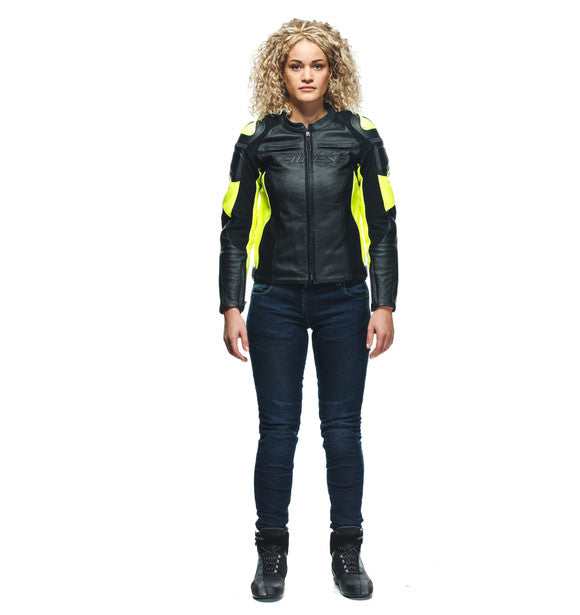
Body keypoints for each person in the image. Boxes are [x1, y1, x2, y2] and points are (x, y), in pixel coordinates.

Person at [218, 18, 398, 600]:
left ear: (332, 71)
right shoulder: (257, 139)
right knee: (277, 432)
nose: (306, 75)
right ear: (280, 71)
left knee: (342, 431)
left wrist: (384, 302)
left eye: (317, 65)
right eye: (296, 65)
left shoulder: (360, 136)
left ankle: (348, 550)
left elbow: (383, 224)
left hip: (345, 300)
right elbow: (234, 229)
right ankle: (271, 552)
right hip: (275, 302)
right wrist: (231, 304)